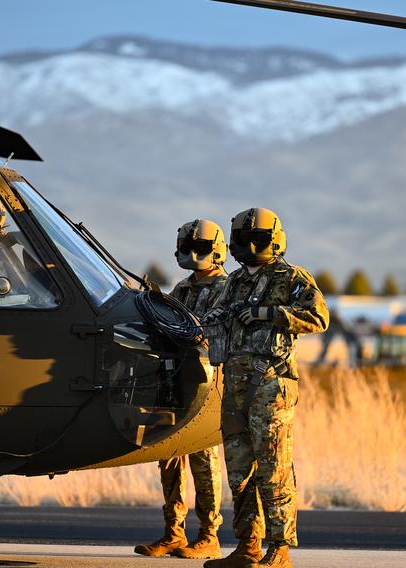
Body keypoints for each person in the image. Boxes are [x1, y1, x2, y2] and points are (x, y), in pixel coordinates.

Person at [203, 208, 328, 568]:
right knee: (239, 471)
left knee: (274, 467)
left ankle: (280, 548)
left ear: (273, 239)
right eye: (241, 239)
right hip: (235, 385)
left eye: (253, 238)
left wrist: (271, 314)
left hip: (271, 386)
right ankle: (247, 546)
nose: (246, 245)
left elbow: (319, 317)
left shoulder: (291, 278)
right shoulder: (234, 282)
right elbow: (213, 317)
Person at [134, 219, 228, 560]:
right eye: (186, 247)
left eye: (199, 248)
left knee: (204, 459)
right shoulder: (183, 289)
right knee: (169, 456)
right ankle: (174, 532)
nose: (191, 254)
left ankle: (209, 534)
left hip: (208, 381)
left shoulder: (227, 288)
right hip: (177, 380)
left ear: (217, 251)